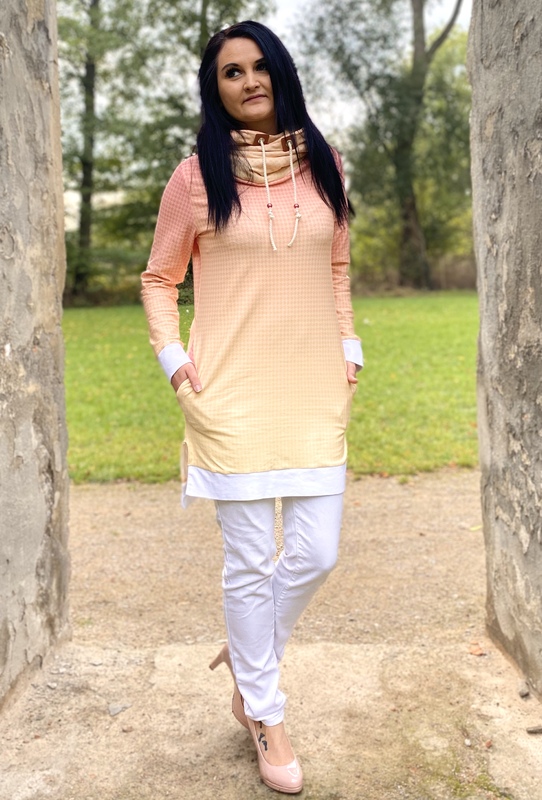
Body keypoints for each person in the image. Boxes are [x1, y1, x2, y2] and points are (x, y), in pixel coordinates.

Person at [141, 20, 363, 794]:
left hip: (313, 386)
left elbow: (337, 266)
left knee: (317, 551)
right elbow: (159, 278)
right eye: (231, 72)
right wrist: (176, 362)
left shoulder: (326, 163)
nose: (249, 81)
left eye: (260, 66)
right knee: (246, 562)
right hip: (227, 391)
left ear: (282, 74)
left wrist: (350, 347)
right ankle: (265, 712)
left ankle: (247, 654)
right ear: (217, 90)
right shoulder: (194, 177)